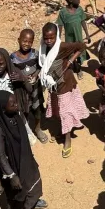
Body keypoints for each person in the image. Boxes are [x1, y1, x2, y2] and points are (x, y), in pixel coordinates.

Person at [0, 91, 47, 209]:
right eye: (13, 104)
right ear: (3, 108)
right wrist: (11, 175)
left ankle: (31, 201)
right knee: (18, 190)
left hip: (25, 158)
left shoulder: (16, 116)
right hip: (13, 166)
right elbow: (0, 155)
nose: (17, 105)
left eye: (16, 102)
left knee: (33, 179)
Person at [40, 22, 89, 158]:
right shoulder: (43, 49)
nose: (48, 41)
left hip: (65, 83)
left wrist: (71, 60)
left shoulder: (62, 47)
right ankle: (62, 131)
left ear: (56, 36)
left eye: (51, 38)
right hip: (53, 84)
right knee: (57, 109)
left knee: (65, 112)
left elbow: (82, 46)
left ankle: (67, 139)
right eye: (46, 38)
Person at [10, 29, 49, 143]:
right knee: (24, 110)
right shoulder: (13, 58)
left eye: (29, 42)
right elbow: (12, 74)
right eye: (24, 41)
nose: (26, 44)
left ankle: (37, 128)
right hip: (22, 91)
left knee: (37, 109)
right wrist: (22, 78)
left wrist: (36, 75)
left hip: (35, 89)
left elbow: (40, 66)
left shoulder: (35, 54)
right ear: (18, 40)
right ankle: (26, 130)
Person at [57, 0, 90, 79]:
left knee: (79, 52)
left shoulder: (79, 10)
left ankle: (78, 68)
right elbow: (60, 25)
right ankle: (75, 67)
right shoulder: (63, 12)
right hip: (69, 39)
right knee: (71, 53)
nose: (79, 0)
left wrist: (87, 34)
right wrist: (58, 39)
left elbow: (83, 22)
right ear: (71, 0)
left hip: (78, 37)